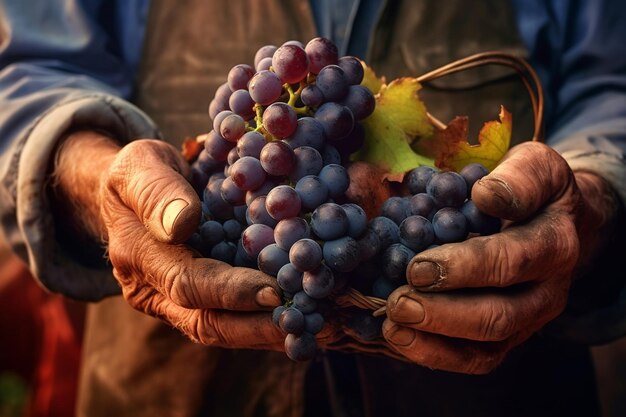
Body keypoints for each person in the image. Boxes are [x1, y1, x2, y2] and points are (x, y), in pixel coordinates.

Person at [0, 0, 625, 416]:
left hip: (504, 388)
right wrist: (93, 175)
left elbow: (613, 81)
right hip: (165, 385)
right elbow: (25, 72)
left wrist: (594, 195)